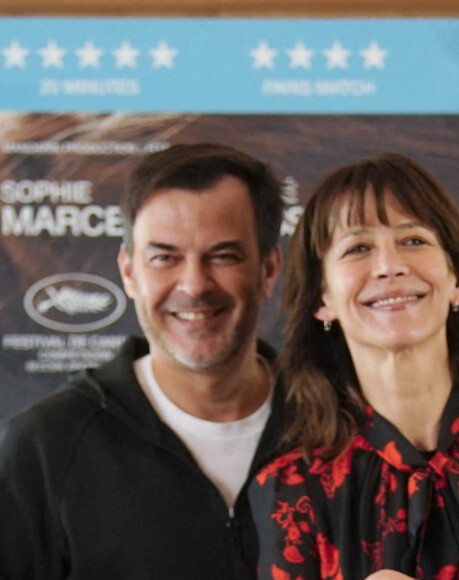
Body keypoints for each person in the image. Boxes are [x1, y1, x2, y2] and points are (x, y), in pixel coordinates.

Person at [249, 153, 459, 579]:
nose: (390, 266)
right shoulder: (290, 491)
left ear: (456, 279)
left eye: (413, 241)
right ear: (322, 298)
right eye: (359, 248)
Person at [0, 143, 285, 579]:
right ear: (129, 272)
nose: (193, 284)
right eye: (164, 258)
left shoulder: (335, 426)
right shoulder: (45, 447)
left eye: (222, 256)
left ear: (268, 269)